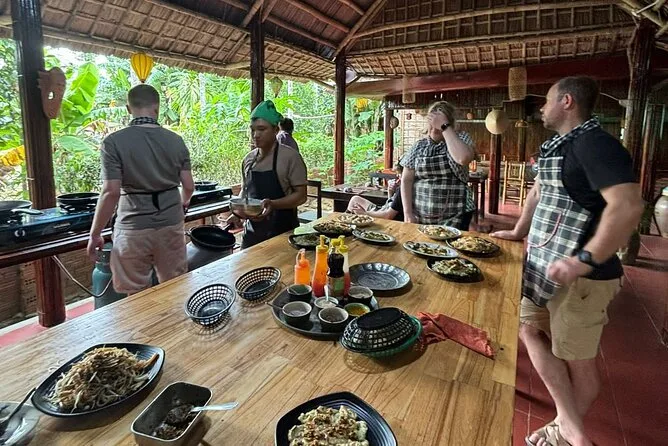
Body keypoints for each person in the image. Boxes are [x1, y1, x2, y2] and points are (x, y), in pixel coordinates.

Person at [491, 76, 642, 446]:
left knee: (577, 360)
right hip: (545, 265)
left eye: (547, 100)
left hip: (584, 278)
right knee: (528, 330)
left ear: (567, 102)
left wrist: (584, 261)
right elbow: (538, 192)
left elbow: (627, 206)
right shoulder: (558, 146)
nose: (542, 108)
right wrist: (519, 231)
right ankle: (569, 425)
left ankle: (566, 432)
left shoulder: (595, 144)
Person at [86, 84, 194, 295]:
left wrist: (95, 234)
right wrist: (181, 204)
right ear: (158, 108)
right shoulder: (176, 141)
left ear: (128, 108)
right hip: (171, 224)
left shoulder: (113, 142)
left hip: (132, 227)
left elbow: (111, 192)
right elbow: (189, 186)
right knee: (175, 288)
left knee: (136, 295)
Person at [228, 101, 307, 248]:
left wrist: (273, 204)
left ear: (276, 130)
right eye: (252, 130)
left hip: (283, 235)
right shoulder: (248, 160)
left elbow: (301, 196)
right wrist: (237, 214)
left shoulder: (290, 157)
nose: (255, 135)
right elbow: (245, 191)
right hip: (252, 236)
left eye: (262, 129)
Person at [400, 101, 476, 230]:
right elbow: (406, 179)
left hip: (456, 215)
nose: (435, 127)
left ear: (450, 123)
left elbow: (463, 158)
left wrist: (444, 127)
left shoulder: (461, 139)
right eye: (432, 121)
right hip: (421, 215)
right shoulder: (419, 146)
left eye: (439, 123)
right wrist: (408, 213)